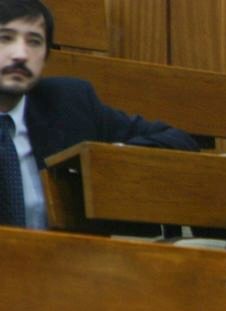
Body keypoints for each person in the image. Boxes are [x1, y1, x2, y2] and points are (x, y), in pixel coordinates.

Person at [0, 0, 198, 229]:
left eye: (34, 42)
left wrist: (110, 155)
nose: (21, 54)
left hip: (67, 250)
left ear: (46, 56)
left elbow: (179, 140)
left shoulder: (69, 102)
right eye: (6, 38)